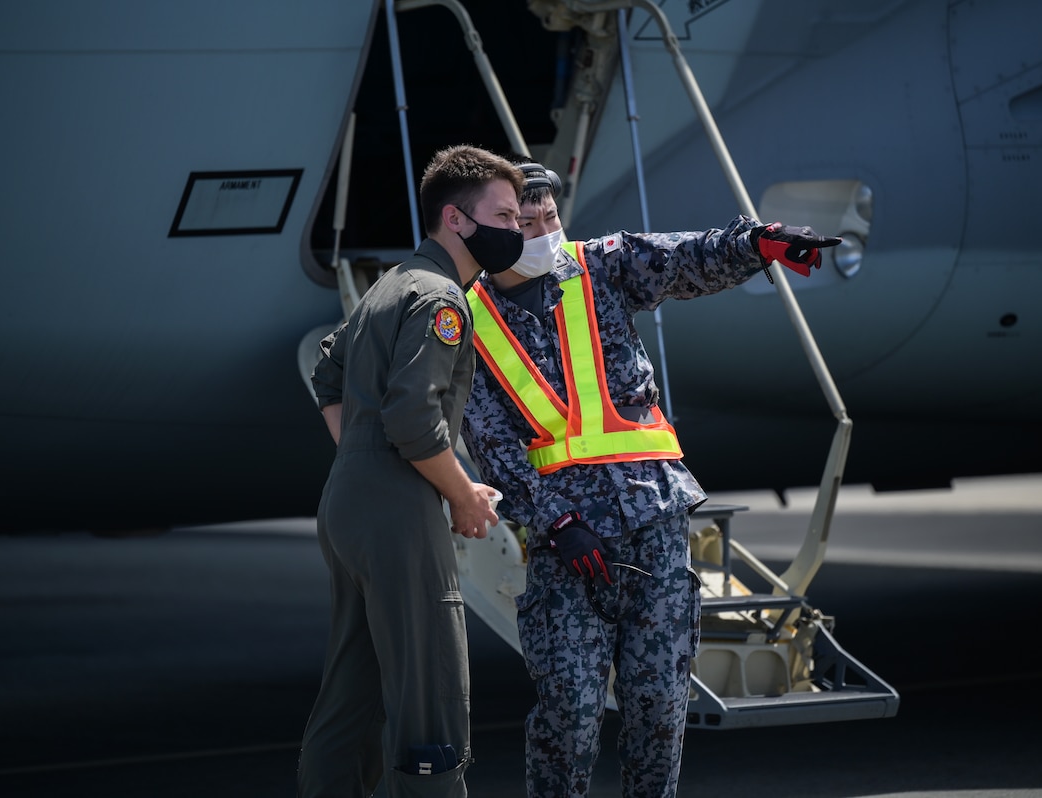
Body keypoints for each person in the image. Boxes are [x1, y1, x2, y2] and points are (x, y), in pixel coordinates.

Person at [460, 159, 841, 797]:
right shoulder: (468, 322)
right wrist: (554, 520)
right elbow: (491, 443)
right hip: (569, 547)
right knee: (572, 714)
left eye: (552, 218)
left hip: (654, 522)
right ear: (493, 229)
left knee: (659, 709)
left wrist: (758, 243)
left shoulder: (600, 267)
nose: (546, 233)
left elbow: (684, 258)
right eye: (526, 223)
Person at [297, 144, 527, 798]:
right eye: (505, 216)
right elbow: (414, 422)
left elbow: (328, 373)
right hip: (397, 512)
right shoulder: (440, 299)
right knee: (431, 695)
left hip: (352, 499)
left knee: (353, 691)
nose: (516, 229)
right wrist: (462, 496)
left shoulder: (391, 286)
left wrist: (365, 458)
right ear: (456, 220)